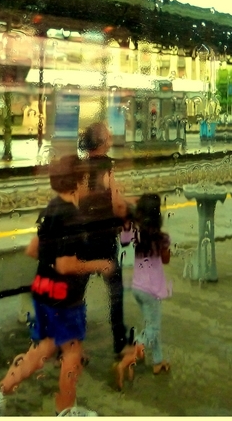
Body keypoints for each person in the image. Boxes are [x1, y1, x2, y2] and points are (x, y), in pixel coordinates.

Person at [0, 155, 114, 417]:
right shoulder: (72, 217)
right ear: (78, 182)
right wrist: (99, 264)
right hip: (64, 299)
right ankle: (66, 411)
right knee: (72, 353)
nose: (88, 183)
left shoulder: (51, 208)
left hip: (43, 291)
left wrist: (52, 257)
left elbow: (32, 250)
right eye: (85, 178)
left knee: (43, 349)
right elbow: (65, 265)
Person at [77, 122, 137, 360]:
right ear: (101, 142)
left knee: (76, 294)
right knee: (116, 293)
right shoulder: (107, 166)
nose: (111, 138)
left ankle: (69, 347)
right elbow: (116, 204)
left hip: (83, 237)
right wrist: (127, 212)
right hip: (103, 238)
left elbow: (78, 200)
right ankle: (120, 344)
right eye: (108, 135)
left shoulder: (81, 167)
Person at [123, 193, 171, 383]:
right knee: (153, 329)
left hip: (137, 288)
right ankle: (131, 354)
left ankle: (158, 361)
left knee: (151, 324)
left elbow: (127, 210)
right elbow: (166, 260)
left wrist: (136, 206)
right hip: (152, 291)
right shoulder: (162, 239)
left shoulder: (136, 234)